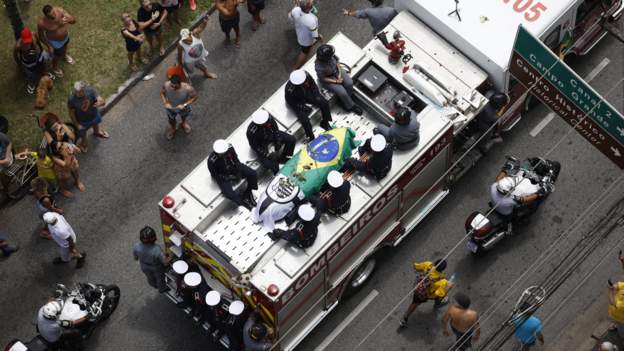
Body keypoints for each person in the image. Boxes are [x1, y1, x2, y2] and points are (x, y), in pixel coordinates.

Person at [400, 259, 452, 328]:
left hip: (419, 289)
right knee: (441, 294)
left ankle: (405, 318)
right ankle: (437, 304)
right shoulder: (442, 281)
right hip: (428, 295)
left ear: (435, 263)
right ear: (443, 270)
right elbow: (438, 294)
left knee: (414, 304)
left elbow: (416, 267)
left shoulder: (428, 265)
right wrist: (448, 287)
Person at [207, 139, 258, 210]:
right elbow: (215, 175)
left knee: (252, 173)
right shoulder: (212, 161)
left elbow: (236, 159)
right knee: (229, 194)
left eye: (225, 152)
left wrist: (238, 172)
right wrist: (228, 178)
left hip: (233, 167)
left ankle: (248, 192)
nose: (224, 154)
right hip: (223, 174)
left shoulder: (230, 148)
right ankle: (242, 202)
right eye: (222, 153)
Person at [284, 69, 332, 141]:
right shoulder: (289, 89)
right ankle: (310, 136)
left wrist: (317, 96)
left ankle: (325, 122)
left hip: (307, 94)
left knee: (323, 102)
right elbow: (291, 102)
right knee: (304, 120)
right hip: (298, 101)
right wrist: (303, 107)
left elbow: (313, 86)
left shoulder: (306, 75)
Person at [315, 44, 363, 115]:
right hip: (329, 78)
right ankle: (350, 106)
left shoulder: (331, 55)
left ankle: (346, 100)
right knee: (342, 92)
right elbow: (323, 78)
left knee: (349, 83)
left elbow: (337, 63)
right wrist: (336, 81)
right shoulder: (318, 66)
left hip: (337, 71)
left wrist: (340, 74)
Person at [246, 110, 296, 174]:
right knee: (269, 164)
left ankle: (286, 158)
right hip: (261, 143)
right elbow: (254, 146)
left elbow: (276, 130)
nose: (265, 123)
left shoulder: (269, 118)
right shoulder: (251, 131)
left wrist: (278, 141)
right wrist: (266, 154)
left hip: (271, 135)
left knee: (291, 139)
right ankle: (277, 172)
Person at [67, 81, 108, 152]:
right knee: (82, 133)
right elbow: (71, 113)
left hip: (94, 115)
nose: (78, 93)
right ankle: (84, 143)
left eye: (80, 91)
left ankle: (96, 132)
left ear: (84, 89)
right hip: (82, 121)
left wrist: (101, 102)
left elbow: (102, 101)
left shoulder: (91, 91)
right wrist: (77, 125)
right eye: (76, 91)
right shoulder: (71, 100)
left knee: (96, 124)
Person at [37, 4, 76, 78]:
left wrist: (70, 20)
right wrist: (49, 46)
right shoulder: (42, 23)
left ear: (54, 10)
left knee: (65, 47)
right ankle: (55, 67)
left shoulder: (60, 11)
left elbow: (74, 21)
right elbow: (41, 36)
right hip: (55, 42)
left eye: (53, 13)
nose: (54, 16)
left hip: (65, 36)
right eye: (51, 16)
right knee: (57, 56)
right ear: (46, 16)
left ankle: (64, 57)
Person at [133, 226, 170, 293]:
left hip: (144, 266)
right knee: (160, 279)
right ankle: (162, 289)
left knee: (150, 277)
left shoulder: (136, 246)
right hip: (156, 267)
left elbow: (135, 257)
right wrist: (170, 257)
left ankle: (154, 285)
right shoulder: (157, 250)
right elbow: (165, 263)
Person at [14, 27, 51, 94]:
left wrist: (41, 50)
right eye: (26, 41)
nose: (27, 43)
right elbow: (15, 55)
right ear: (22, 38)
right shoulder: (18, 45)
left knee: (42, 66)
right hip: (28, 62)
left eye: (28, 40)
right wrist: (20, 65)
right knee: (31, 74)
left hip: (38, 56)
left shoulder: (34, 35)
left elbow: (39, 43)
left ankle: (45, 74)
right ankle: (31, 83)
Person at [160, 74, 198, 140]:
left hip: (183, 107)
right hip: (171, 107)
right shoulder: (166, 85)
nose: (173, 88)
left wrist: (184, 105)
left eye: (175, 87)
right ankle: (173, 128)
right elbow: (162, 93)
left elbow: (195, 97)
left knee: (184, 116)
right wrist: (166, 102)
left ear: (180, 83)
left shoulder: (188, 88)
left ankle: (183, 123)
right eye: (171, 86)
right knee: (171, 119)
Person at [290, 0, 322, 69]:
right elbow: (315, 35)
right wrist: (320, 38)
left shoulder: (295, 10)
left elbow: (290, 17)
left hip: (299, 33)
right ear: (309, 9)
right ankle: (296, 67)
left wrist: (296, 6)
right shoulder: (312, 20)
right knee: (304, 52)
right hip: (306, 41)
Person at [0, 131, 14, 200]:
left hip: (5, 160)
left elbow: (7, 161)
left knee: (1, 173)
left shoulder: (1, 136)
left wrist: (7, 157)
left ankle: (6, 190)